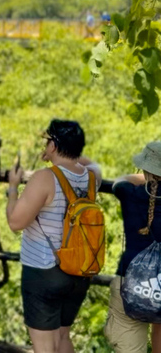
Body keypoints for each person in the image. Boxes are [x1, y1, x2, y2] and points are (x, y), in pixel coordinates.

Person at [6, 119, 102, 353]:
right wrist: (64, 152)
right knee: (63, 337)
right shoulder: (91, 177)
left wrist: (12, 188)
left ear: (54, 145)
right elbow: (91, 162)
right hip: (79, 271)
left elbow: (15, 222)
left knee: (44, 347)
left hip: (44, 271)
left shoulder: (44, 178)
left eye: (48, 141)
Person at [104, 142, 161, 352]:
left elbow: (120, 181)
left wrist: (147, 179)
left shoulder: (128, 193)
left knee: (129, 341)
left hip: (130, 282)